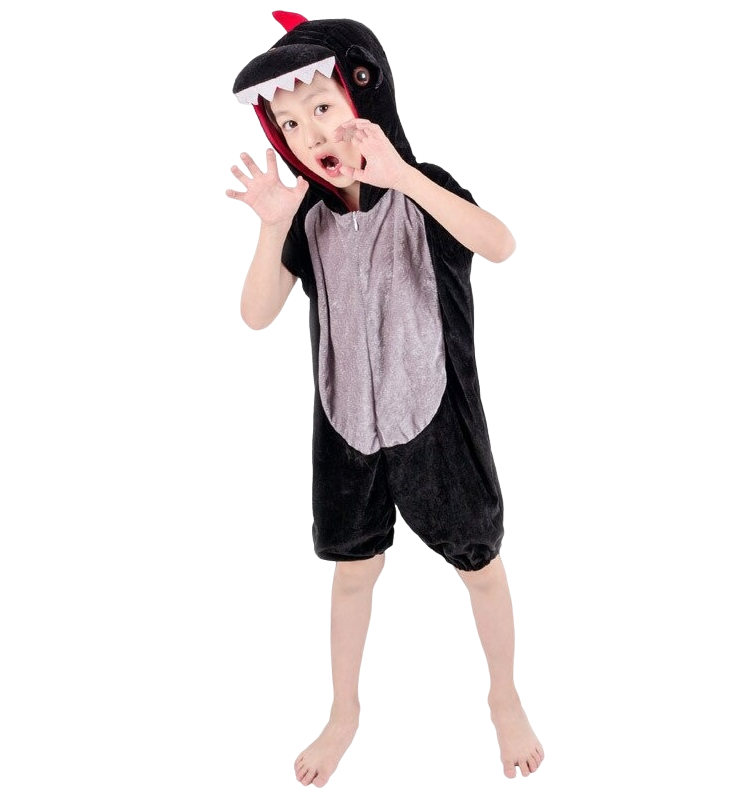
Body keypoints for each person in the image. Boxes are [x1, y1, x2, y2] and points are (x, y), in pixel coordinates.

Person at [226, 12, 544, 787]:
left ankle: (503, 695)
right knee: (352, 573)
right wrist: (271, 228)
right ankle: (345, 711)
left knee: (481, 566)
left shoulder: (423, 191)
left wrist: (404, 177)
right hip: (346, 428)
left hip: (437, 420)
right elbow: (256, 314)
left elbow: (500, 243)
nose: (311, 133)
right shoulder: (306, 219)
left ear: (364, 99)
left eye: (322, 107)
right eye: (290, 123)